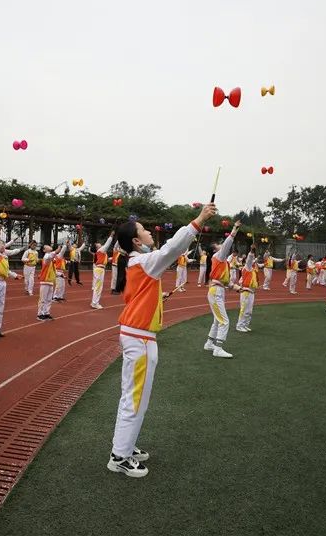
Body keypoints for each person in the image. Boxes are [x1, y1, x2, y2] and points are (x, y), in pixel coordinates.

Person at [108, 202, 216, 478]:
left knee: (134, 397)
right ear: (136, 241)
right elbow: (172, 248)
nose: (148, 233)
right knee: (135, 399)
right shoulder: (144, 261)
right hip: (139, 338)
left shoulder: (138, 263)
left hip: (138, 336)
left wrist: (157, 298)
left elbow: (137, 296)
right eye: (143, 230)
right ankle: (119, 456)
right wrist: (199, 219)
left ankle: (125, 447)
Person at [204, 221, 243, 358]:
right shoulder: (218, 256)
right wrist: (234, 229)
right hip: (216, 292)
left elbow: (224, 281)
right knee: (224, 321)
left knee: (217, 320)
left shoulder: (222, 261)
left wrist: (235, 287)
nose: (221, 245)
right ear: (215, 250)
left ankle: (209, 343)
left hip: (217, 290)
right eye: (218, 245)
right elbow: (227, 244)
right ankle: (218, 348)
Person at [37, 240, 67, 320]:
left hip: (50, 282)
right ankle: (40, 314)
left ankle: (46, 313)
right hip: (45, 281)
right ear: (44, 250)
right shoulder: (46, 257)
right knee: (43, 299)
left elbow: (53, 270)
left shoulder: (52, 260)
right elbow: (50, 256)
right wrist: (57, 250)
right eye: (46, 246)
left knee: (49, 299)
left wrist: (60, 274)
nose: (48, 246)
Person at [235, 244, 259, 332]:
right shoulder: (247, 267)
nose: (253, 260)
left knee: (249, 310)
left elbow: (253, 259)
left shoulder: (252, 269)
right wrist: (252, 251)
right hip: (246, 291)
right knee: (244, 309)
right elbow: (250, 259)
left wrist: (254, 254)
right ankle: (239, 325)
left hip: (251, 292)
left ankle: (245, 325)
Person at [90, 232, 114, 309]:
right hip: (99, 270)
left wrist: (112, 258)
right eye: (97, 244)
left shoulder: (101, 252)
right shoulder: (101, 250)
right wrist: (111, 236)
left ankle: (94, 302)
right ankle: (95, 303)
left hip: (99, 269)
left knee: (98, 286)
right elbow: (107, 244)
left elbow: (106, 260)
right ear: (97, 247)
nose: (99, 243)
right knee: (98, 287)